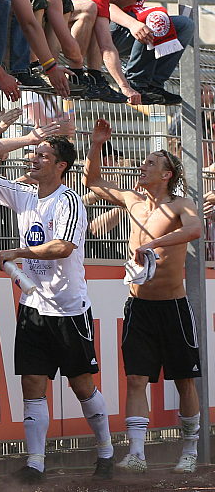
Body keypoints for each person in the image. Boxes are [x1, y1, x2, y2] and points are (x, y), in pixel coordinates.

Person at [0, 130, 114, 483]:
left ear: (61, 166)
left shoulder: (70, 202)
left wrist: (19, 252)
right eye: (34, 154)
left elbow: (63, 248)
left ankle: (106, 452)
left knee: (81, 385)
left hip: (67, 308)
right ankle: (35, 464)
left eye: (42, 156)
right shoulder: (24, 194)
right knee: (32, 382)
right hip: (32, 307)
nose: (34, 159)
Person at [84, 119, 202, 474]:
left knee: (184, 379)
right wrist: (96, 145)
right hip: (139, 307)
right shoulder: (132, 200)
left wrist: (154, 243)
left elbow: (196, 230)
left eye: (150, 163)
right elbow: (92, 182)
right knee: (135, 378)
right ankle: (136, 452)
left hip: (173, 307)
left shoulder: (181, 206)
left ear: (167, 174)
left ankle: (190, 449)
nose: (142, 166)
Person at [30, 0, 138, 103]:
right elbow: (104, 45)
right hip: (23, 29)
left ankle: (88, 75)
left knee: (74, 8)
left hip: (37, 29)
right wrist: (77, 61)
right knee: (87, 8)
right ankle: (62, 72)